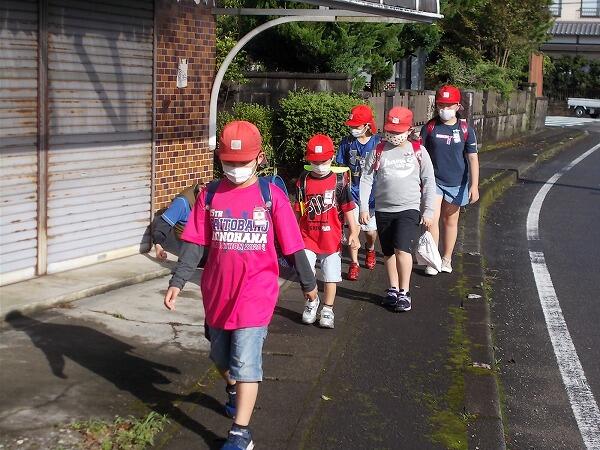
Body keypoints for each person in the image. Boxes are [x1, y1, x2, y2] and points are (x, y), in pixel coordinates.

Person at [163, 120, 318, 450]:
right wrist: (178, 280)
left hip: (256, 294)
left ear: (259, 158)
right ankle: (233, 389)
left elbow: (293, 245)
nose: (235, 168)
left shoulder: (271, 197)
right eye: (228, 162)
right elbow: (195, 243)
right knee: (220, 356)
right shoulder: (209, 195)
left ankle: (240, 433)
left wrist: (308, 283)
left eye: (242, 162)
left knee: (246, 361)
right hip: (217, 293)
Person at [359, 107, 436, 312]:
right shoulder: (378, 151)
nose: (393, 135)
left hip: (409, 208)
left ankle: (405, 292)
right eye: (390, 131)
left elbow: (429, 181)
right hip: (383, 209)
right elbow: (366, 179)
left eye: (398, 131)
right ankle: (393, 288)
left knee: (402, 249)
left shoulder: (418, 151)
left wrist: (428, 210)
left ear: (409, 130)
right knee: (388, 251)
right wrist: (364, 207)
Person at [295, 134, 360, 329]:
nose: (319, 166)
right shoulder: (303, 180)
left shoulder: (339, 181)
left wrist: (354, 232)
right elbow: (298, 210)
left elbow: (348, 208)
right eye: (315, 162)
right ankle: (312, 301)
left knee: (330, 275)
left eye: (323, 161)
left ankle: (328, 308)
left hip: (331, 238)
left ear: (331, 158)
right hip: (307, 236)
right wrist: (292, 233)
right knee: (305, 272)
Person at [420, 85, 480, 275]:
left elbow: (473, 158)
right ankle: (433, 260)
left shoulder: (466, 129)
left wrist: (474, 185)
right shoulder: (430, 127)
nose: (444, 109)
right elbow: (419, 153)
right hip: (433, 181)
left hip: (457, 182)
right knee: (431, 219)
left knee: (450, 221)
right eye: (441, 105)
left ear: (457, 105)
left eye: (448, 105)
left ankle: (446, 259)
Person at [336, 104, 381, 281]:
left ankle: (370, 249)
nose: (353, 129)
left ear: (367, 125)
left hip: (371, 194)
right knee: (353, 229)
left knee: (370, 231)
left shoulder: (378, 143)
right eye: (351, 126)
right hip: (352, 192)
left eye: (357, 126)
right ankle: (354, 263)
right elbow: (341, 166)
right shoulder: (347, 142)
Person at [151, 183, 200, 260]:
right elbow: (163, 224)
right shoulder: (182, 203)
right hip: (184, 243)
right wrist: (158, 246)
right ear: (201, 190)